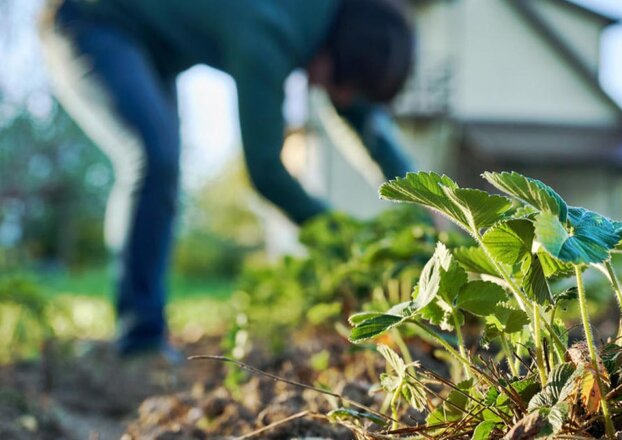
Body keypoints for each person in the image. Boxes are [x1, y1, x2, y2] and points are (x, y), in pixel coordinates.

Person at [39, 0, 415, 358]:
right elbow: (267, 173)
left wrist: (434, 211)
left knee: (163, 162)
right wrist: (353, 246)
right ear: (340, 48)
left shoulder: (325, 23)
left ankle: (143, 331)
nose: (330, 95)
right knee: (155, 157)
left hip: (150, 48)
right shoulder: (270, 30)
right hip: (93, 18)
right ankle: (140, 338)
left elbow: (366, 124)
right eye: (340, 87)